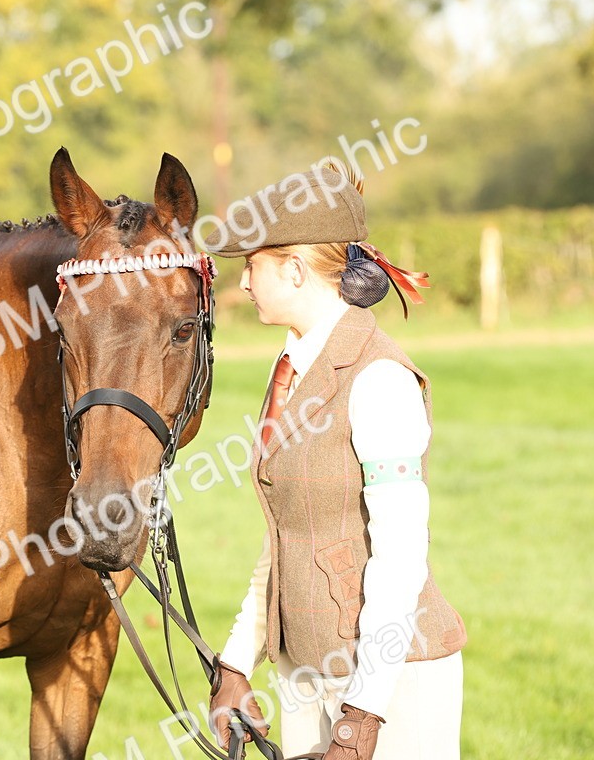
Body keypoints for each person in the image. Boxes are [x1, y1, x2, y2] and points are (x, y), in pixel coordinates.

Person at [205, 164, 467, 760]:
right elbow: (285, 536)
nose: (243, 283)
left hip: (392, 688)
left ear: (294, 270)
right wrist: (236, 664)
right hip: (305, 678)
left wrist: (363, 714)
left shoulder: (379, 379)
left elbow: (401, 556)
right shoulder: (292, 368)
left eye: (252, 265)